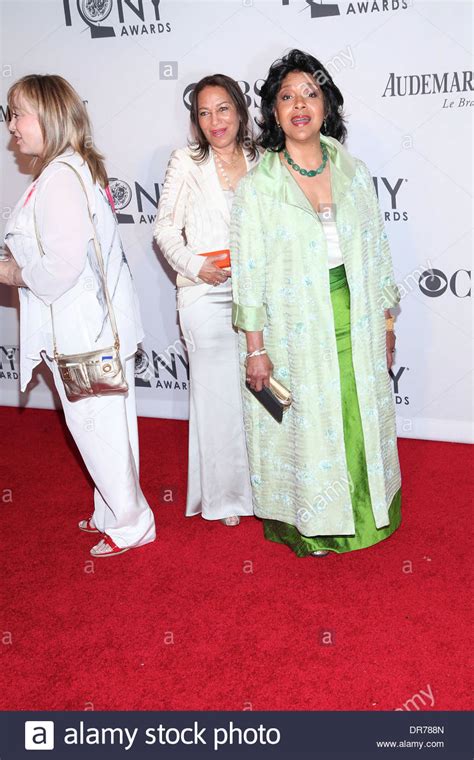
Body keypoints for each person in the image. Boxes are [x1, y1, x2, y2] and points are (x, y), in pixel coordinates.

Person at [230, 49, 402, 556]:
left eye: (310, 93)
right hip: (294, 322)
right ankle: (316, 525)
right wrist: (256, 349)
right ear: (273, 113)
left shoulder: (354, 171)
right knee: (307, 421)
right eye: (286, 97)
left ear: (327, 105)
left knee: (358, 411)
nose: (299, 105)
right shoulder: (258, 186)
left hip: (358, 313)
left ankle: (369, 514)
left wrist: (388, 325)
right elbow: (249, 273)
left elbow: (378, 252)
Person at [1, 74, 155, 557]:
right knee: (108, 428)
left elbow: (60, 268)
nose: (11, 128)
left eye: (18, 114)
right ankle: (116, 512)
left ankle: (132, 524)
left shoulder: (61, 179)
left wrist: (12, 272)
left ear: (48, 116)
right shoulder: (68, 170)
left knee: (97, 430)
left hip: (85, 332)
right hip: (95, 328)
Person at [154, 74, 259, 526]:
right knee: (217, 398)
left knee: (258, 396)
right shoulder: (185, 162)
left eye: (222, 109)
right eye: (203, 112)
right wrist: (197, 267)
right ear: (195, 121)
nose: (215, 120)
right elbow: (163, 229)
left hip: (257, 294)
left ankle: (262, 491)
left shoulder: (263, 158)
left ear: (239, 110)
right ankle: (225, 498)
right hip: (204, 293)